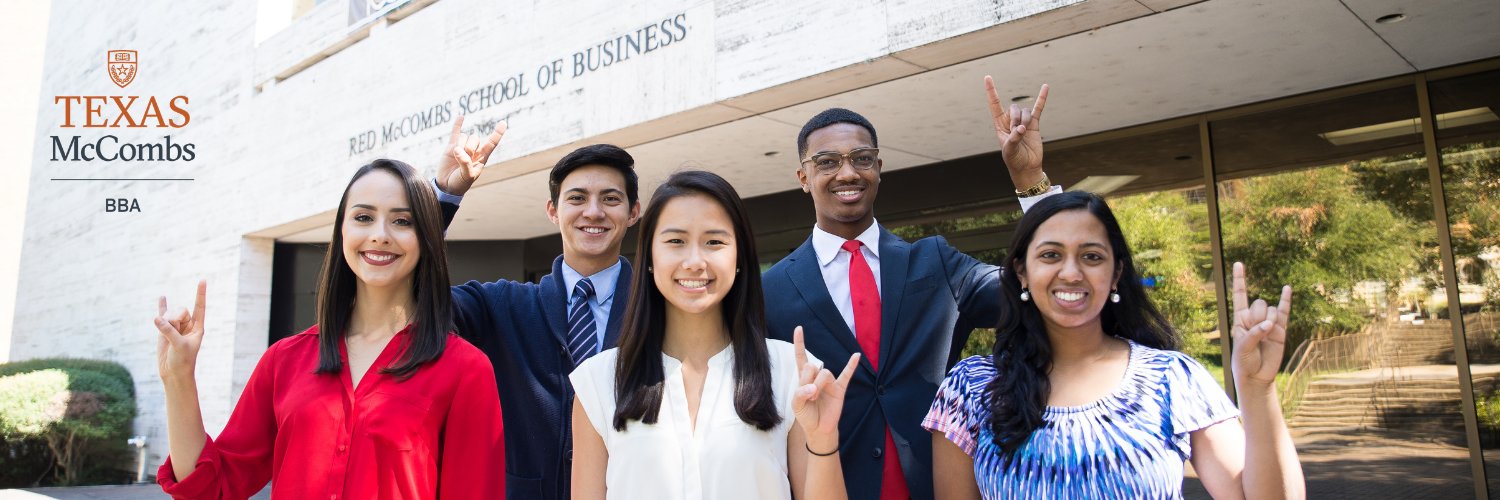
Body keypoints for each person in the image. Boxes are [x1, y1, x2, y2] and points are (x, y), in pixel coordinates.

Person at [762, 76, 1056, 499]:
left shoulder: (935, 263)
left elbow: (1035, 292)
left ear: (879, 169)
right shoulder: (770, 291)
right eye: (827, 161)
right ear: (803, 177)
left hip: (942, 485)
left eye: (862, 158)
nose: (847, 172)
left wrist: (1031, 181)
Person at [153, 159, 505, 499]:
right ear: (342, 230)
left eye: (402, 222)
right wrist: (178, 379)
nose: (380, 235)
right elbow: (213, 489)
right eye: (364, 217)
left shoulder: (465, 370)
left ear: (426, 237)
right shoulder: (284, 360)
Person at [923, 191, 1305, 499]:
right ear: (1021, 271)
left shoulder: (1171, 377)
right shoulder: (971, 388)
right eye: (1050, 255)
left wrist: (1258, 389)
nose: (1071, 273)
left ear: (1116, 273)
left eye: (1091, 256)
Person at [570, 170, 858, 500]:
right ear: (650, 257)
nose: (695, 261)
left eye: (715, 242)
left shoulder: (792, 373)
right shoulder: (599, 381)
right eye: (676, 241)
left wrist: (823, 441)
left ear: (739, 259)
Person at [435, 117, 641, 500]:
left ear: (633, 212)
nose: (593, 212)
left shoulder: (659, 308)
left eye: (610, 199)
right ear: (552, 210)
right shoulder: (502, 306)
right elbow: (411, 297)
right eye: (576, 198)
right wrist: (444, 200)